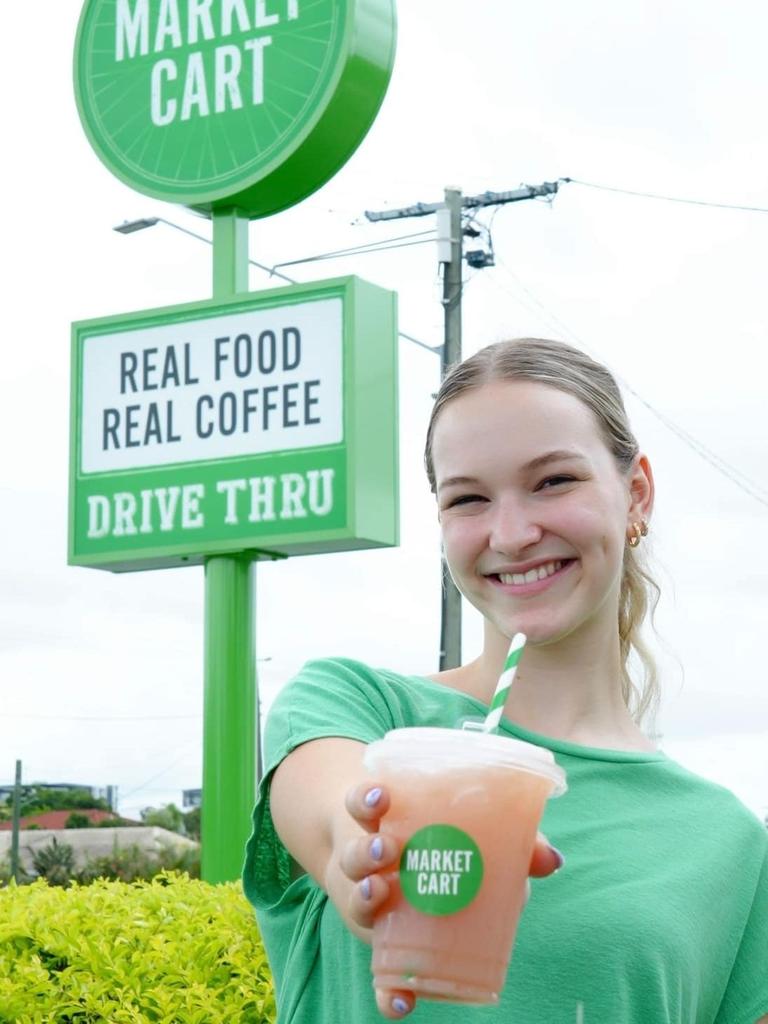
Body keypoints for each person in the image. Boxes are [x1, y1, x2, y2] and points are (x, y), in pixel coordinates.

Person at [243, 337, 768, 1024]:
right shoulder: (357, 707)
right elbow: (339, 823)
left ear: (635, 493)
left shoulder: (729, 844)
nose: (513, 533)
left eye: (554, 481)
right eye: (468, 498)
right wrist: (374, 863)